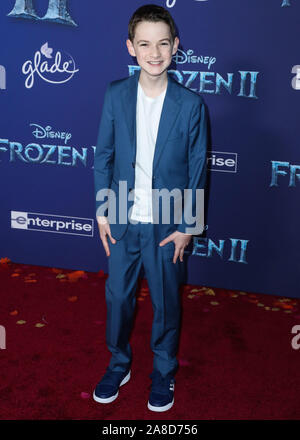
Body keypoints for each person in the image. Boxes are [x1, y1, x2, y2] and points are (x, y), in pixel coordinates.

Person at [93, 4, 208, 412]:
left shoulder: (191, 105)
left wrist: (187, 226)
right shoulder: (114, 95)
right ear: (131, 48)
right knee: (117, 300)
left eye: (163, 43)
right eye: (144, 44)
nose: (154, 52)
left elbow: (197, 169)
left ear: (175, 46)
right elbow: (103, 156)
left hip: (166, 226)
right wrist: (104, 212)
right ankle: (118, 363)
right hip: (123, 221)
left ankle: (163, 372)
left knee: (166, 303)